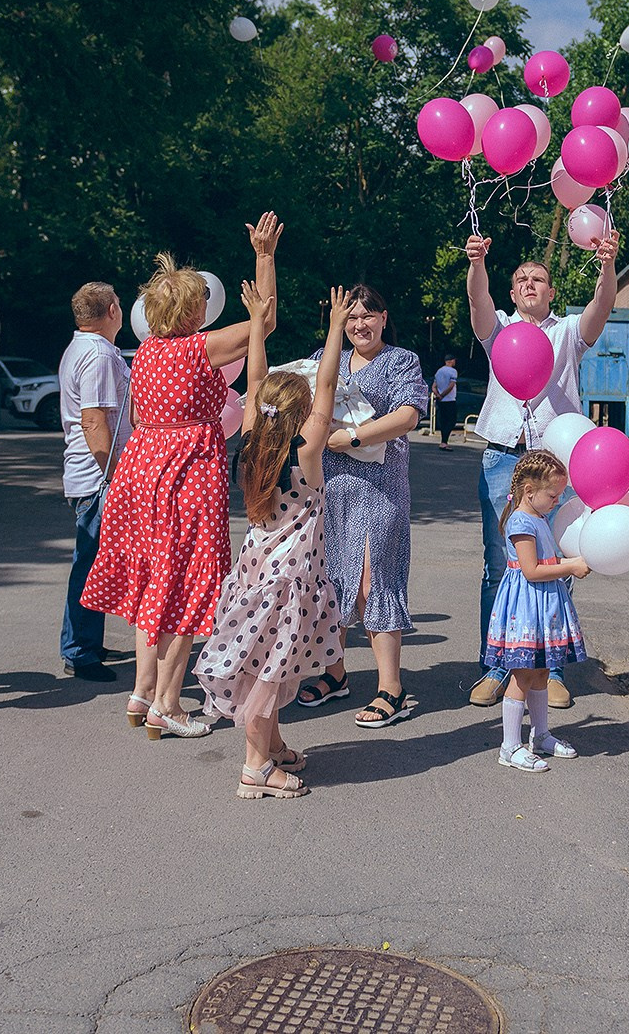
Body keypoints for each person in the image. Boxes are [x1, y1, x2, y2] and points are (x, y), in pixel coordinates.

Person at [84, 213, 282, 738]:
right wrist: (264, 258)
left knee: (154, 584)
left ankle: (142, 692)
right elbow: (265, 322)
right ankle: (167, 705)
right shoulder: (201, 347)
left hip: (140, 470)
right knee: (190, 588)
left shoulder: (145, 351)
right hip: (187, 471)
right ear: (192, 308)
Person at [195, 284, 350, 798]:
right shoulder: (308, 452)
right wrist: (333, 329)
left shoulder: (253, 445)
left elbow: (258, 380)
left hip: (256, 569)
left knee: (268, 659)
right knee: (268, 668)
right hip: (290, 578)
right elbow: (327, 381)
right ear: (304, 414)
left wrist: (258, 324)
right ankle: (256, 767)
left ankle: (274, 743)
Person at [464, 231, 619, 710]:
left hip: (557, 462)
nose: (530, 284)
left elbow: (603, 306)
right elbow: (477, 301)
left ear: (552, 292)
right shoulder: (500, 329)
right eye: (522, 280)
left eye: (539, 279)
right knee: (499, 566)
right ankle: (497, 666)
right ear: (512, 293)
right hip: (503, 457)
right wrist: (477, 263)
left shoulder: (568, 331)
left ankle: (549, 668)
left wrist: (607, 265)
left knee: (553, 565)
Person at [291, 285, 431, 728]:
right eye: (351, 318)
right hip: (328, 490)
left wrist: (352, 437)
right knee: (330, 584)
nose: (360, 325)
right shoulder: (322, 358)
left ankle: (392, 687)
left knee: (375, 582)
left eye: (368, 315)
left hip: (379, 489)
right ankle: (335, 673)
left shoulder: (400, 361)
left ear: (384, 318)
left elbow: (409, 415)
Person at [485, 450, 591, 773]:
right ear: (529, 491)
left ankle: (540, 734)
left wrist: (568, 563)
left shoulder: (539, 517)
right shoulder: (520, 521)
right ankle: (509, 745)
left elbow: (544, 563)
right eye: (552, 495)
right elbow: (530, 570)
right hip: (527, 607)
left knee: (543, 670)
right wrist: (569, 566)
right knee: (523, 673)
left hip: (543, 604)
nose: (557, 501)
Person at [57, 281, 128, 680]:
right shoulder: (98, 354)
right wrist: (115, 474)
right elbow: (94, 419)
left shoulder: (81, 348)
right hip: (98, 478)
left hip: (89, 475)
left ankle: (85, 641)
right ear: (113, 310)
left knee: (92, 563)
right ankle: (80, 651)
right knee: (89, 564)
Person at [433, 353, 461, 450]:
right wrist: (443, 394)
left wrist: (438, 395)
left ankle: (443, 441)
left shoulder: (439, 371)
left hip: (441, 400)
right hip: (449, 399)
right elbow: (451, 385)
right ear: (451, 361)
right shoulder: (453, 371)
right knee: (451, 421)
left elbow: (434, 386)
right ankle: (444, 441)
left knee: (443, 420)